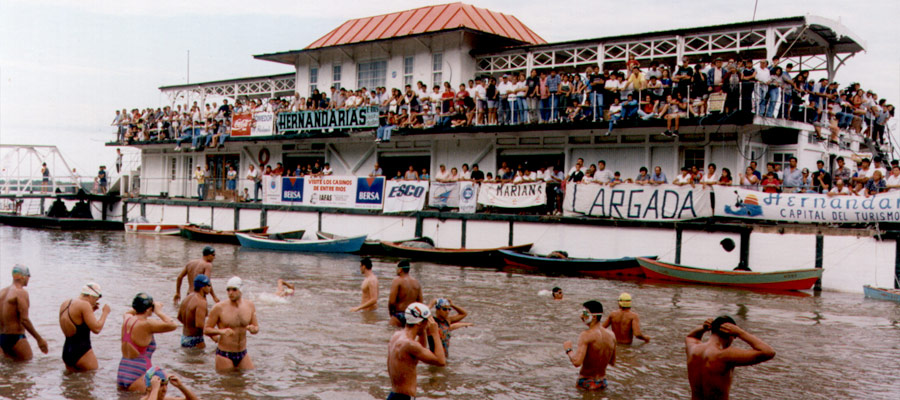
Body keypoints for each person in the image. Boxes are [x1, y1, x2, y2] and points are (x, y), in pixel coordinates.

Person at [685, 316, 776, 400]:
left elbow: (691, 336)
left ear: (712, 330)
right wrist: (741, 332)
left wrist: (704, 327)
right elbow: (768, 352)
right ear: (731, 335)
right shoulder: (725, 355)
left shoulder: (693, 349)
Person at [117, 293, 178, 392]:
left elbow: (128, 312)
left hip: (123, 370)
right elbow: (173, 325)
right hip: (139, 371)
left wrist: (142, 306)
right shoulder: (147, 324)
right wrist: (158, 311)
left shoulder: (127, 319)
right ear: (149, 309)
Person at [387, 303, 446, 399]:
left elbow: (418, 354)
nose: (429, 324)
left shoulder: (396, 336)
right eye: (427, 321)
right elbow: (441, 361)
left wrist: (422, 331)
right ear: (420, 322)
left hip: (394, 395)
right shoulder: (410, 345)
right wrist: (435, 333)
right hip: (404, 397)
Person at [204, 277, 259, 371]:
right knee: (227, 383)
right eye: (228, 290)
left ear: (241, 290)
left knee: (248, 381)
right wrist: (221, 331)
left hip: (242, 353)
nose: (230, 292)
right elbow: (206, 330)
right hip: (225, 354)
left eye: (234, 289)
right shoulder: (219, 308)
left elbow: (256, 327)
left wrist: (253, 329)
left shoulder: (250, 305)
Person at [563, 300, 616, 391]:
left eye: (585, 313)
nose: (581, 316)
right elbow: (612, 362)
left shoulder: (586, 335)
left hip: (586, 382)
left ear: (594, 316)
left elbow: (577, 362)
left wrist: (568, 349)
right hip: (602, 382)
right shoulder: (611, 335)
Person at [0, 265, 48, 361]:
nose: (29, 278)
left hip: (2, 337)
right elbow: (24, 320)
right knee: (27, 367)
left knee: (8, 372)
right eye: (28, 275)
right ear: (23, 277)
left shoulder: (2, 293)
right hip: (16, 337)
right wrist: (39, 339)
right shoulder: (21, 292)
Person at [58, 282, 110, 371]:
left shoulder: (65, 303)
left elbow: (76, 322)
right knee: (91, 380)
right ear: (91, 296)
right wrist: (105, 313)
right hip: (83, 352)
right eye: (96, 300)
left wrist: (90, 312)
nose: (95, 302)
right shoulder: (84, 305)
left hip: (67, 352)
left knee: (70, 383)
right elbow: (97, 329)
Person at [177, 275, 212, 349]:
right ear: (202, 287)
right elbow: (200, 325)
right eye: (209, 285)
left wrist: (190, 326)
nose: (210, 288)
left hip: (184, 338)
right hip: (196, 340)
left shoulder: (187, 298)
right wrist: (214, 336)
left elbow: (179, 317)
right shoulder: (201, 302)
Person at [388, 260, 422, 327]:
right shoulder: (416, 282)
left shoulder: (397, 281)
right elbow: (420, 303)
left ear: (400, 269)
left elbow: (392, 302)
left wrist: (391, 313)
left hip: (399, 314)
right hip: (412, 316)